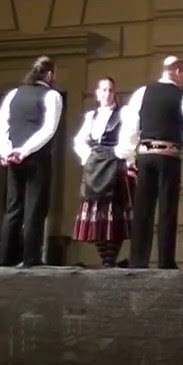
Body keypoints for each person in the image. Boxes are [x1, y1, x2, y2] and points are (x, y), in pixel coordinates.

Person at [116, 56, 183, 269]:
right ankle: (165, 261)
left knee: (143, 209)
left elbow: (131, 127)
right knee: (167, 210)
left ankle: (138, 260)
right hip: (169, 156)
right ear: (179, 71)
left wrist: (128, 156)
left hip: (145, 154)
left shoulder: (142, 93)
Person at [0, 55, 63, 268]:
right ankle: (30, 258)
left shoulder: (13, 94)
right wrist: (24, 151)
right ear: (49, 74)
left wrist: (5, 151)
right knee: (35, 209)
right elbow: (49, 129)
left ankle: (5, 258)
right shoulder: (52, 96)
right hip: (37, 159)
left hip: (13, 158)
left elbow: (0, 125)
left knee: (13, 208)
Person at [71, 77, 130, 268]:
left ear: (115, 93)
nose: (107, 94)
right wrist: (87, 157)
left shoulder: (124, 114)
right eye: (103, 90)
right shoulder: (91, 116)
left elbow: (129, 138)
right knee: (96, 216)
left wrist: (119, 155)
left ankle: (109, 260)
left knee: (114, 215)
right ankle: (106, 259)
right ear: (97, 94)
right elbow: (79, 140)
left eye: (110, 90)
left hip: (114, 165)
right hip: (95, 166)